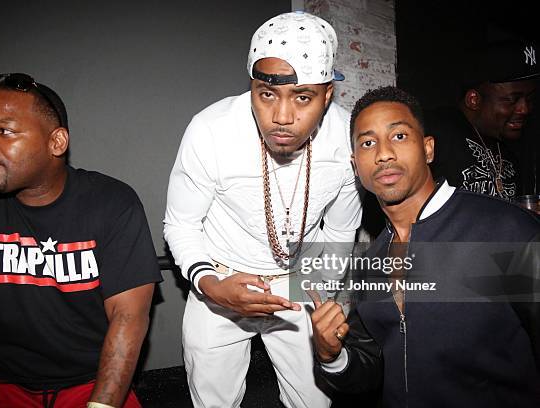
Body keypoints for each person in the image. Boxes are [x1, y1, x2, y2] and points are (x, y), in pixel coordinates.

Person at [164, 11, 362, 408]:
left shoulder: (346, 138)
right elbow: (181, 224)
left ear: (327, 94)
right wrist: (210, 284)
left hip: (299, 282)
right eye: (266, 94)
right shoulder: (212, 130)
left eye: (303, 97)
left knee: (314, 402)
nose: (282, 116)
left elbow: (341, 234)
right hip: (220, 280)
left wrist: (313, 286)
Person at [0, 73, 163, 408]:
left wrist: (101, 406)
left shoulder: (113, 202)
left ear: (56, 143)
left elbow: (129, 316)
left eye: (4, 131)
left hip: (93, 381)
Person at [311, 86, 540, 407]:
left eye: (399, 136)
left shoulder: (505, 230)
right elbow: (372, 367)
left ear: (428, 148)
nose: (383, 153)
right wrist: (331, 354)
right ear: (355, 164)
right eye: (367, 142)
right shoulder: (370, 264)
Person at [427, 40, 540, 200]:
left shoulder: (511, 150)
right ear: (474, 99)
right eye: (512, 100)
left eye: (530, 99)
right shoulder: (435, 134)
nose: (524, 109)